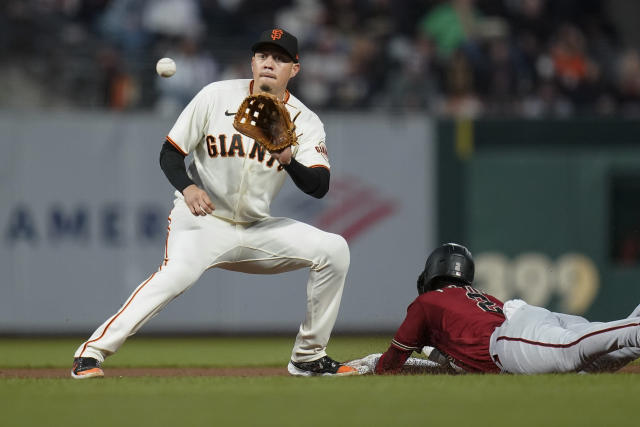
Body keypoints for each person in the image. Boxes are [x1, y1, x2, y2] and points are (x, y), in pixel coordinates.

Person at [71, 28, 357, 378]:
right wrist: (188, 188)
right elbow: (170, 153)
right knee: (174, 276)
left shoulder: (306, 121)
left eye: (280, 58)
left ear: (294, 70)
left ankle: (308, 356)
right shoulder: (216, 95)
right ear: (252, 62)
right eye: (263, 56)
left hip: (256, 228)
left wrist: (287, 159)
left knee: (334, 249)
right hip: (203, 222)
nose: (270, 63)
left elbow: (319, 186)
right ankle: (90, 353)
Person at [348, 243, 640, 375]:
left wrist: (368, 364)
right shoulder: (472, 298)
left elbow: (392, 363)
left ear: (431, 273)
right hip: (531, 321)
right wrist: (429, 353)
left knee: (572, 352)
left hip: (508, 339)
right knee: (608, 358)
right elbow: (453, 362)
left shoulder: (427, 302)